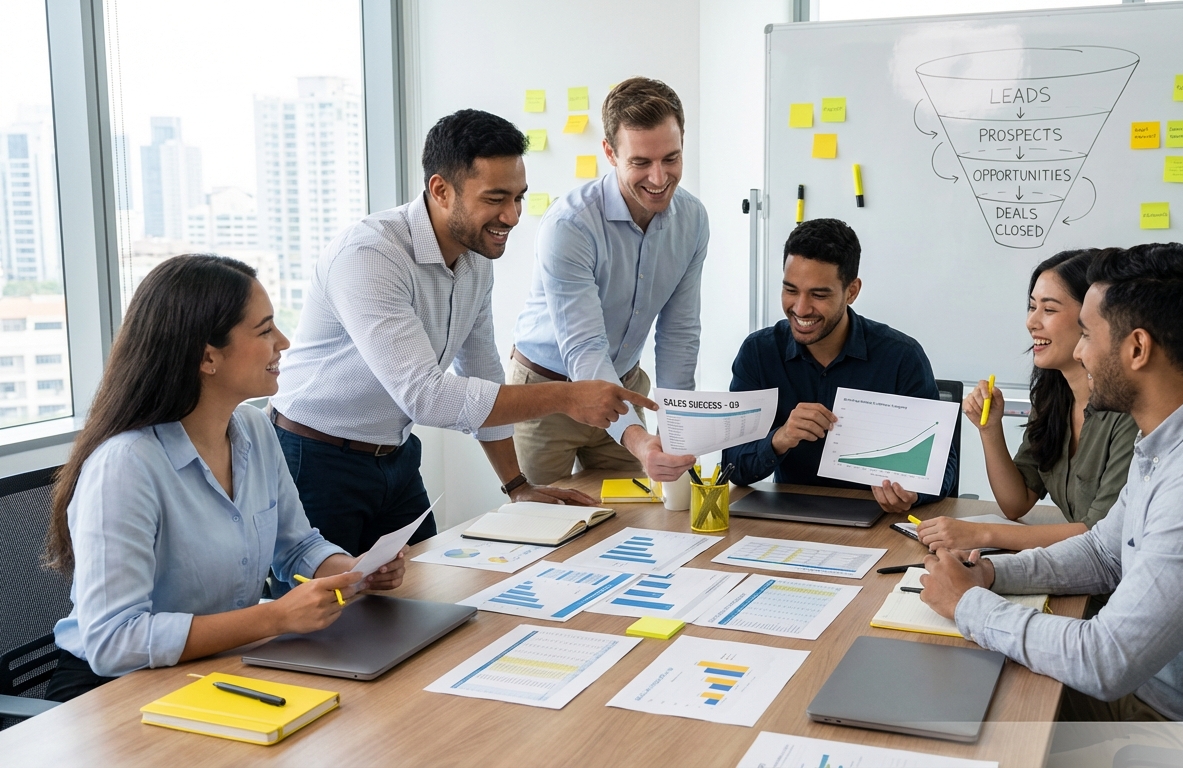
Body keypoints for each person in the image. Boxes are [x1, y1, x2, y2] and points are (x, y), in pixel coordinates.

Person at [919, 243, 1183, 721]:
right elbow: (1105, 551)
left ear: (1137, 349)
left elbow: (1106, 661)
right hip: (1161, 693)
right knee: (952, 694)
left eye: (1086, 334)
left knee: (973, 716)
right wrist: (992, 575)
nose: (1080, 352)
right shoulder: (1174, 437)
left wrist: (969, 604)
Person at [271, 109, 656, 556]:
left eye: (518, 197)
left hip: (394, 456)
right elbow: (427, 397)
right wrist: (569, 396)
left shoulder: (474, 259)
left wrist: (517, 485)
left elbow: (481, 371)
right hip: (313, 457)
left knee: (424, 598)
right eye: (495, 198)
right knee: (324, 620)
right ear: (440, 190)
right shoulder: (370, 255)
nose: (512, 216)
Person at [43, 255, 407, 701]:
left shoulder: (254, 428)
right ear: (207, 356)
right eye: (265, 330)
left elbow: (298, 547)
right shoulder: (126, 465)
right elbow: (114, 642)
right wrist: (275, 617)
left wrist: (353, 572)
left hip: (215, 667)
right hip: (113, 692)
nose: (284, 341)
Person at [509, 77, 706, 485]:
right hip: (549, 392)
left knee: (632, 522)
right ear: (610, 153)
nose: (659, 177)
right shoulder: (570, 226)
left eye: (671, 158)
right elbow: (584, 347)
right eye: (640, 163)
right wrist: (636, 439)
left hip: (626, 384)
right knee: (545, 527)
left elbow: (679, 334)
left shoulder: (693, 220)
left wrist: (674, 428)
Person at [722, 218, 956, 512]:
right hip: (787, 518)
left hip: (880, 521)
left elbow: (943, 468)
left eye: (819, 295)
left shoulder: (901, 357)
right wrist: (779, 439)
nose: (801, 308)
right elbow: (733, 466)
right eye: (791, 290)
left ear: (852, 291)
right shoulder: (759, 352)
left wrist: (913, 494)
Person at [919, 250, 1136, 552]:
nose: (1031, 322)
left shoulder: (1129, 412)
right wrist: (989, 429)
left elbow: (1100, 536)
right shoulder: (1054, 396)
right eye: (1032, 307)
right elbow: (1016, 503)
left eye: (1049, 310)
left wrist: (983, 535)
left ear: (1092, 317)